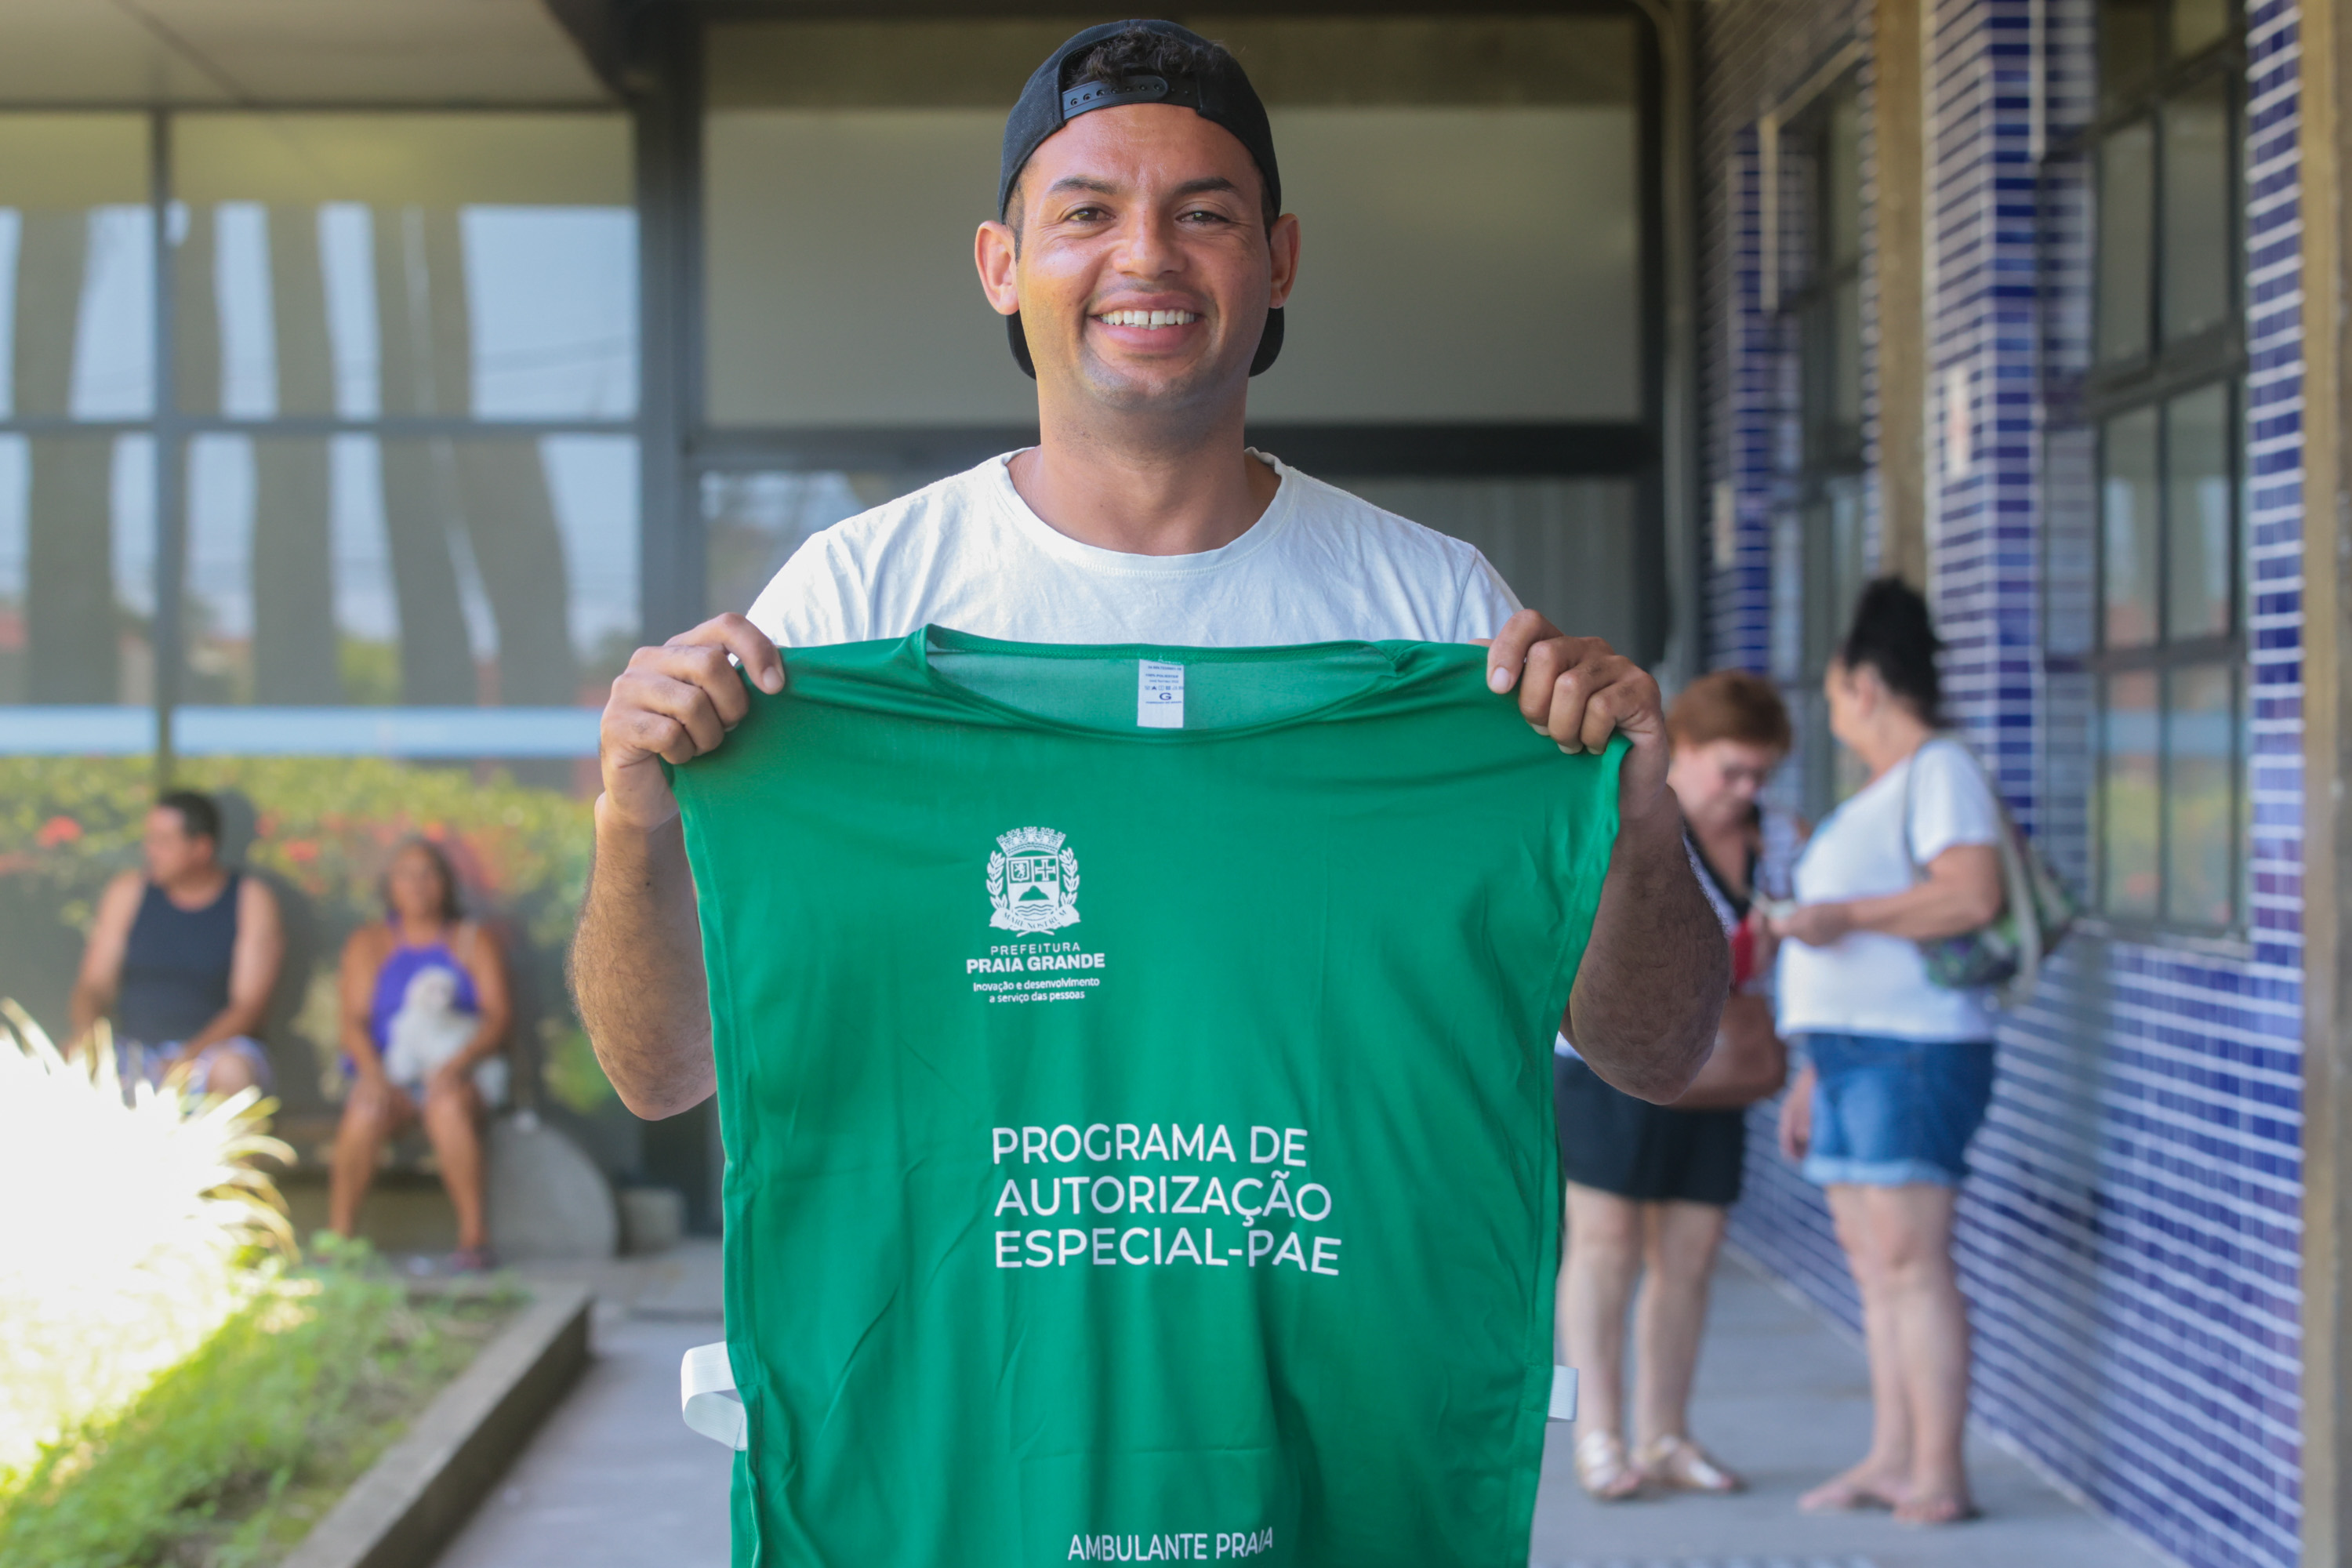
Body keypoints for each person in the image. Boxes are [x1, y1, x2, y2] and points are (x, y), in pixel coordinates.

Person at [573, 20, 1726, 1124]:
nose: (1145, 255)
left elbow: (1654, 1058)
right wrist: (636, 822)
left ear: (1277, 261)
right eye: (1085, 212)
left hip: (1338, 1323)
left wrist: (1639, 823)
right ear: (1002, 265)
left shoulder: (1439, 618)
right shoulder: (843, 615)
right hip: (975, 1325)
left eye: (1204, 212)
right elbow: (663, 1077)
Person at [1768, 577, 2005, 1526]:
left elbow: (1972, 894)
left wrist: (1839, 915)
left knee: (1910, 1260)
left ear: (1864, 682)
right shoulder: (1880, 789)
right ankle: (1891, 1454)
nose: (1835, 717)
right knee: (1874, 1265)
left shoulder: (1939, 768)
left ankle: (1939, 1472)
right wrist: (1811, 1070)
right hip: (1851, 1054)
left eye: (1832, 698)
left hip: (1913, 1051)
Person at [1557, 670, 1799, 1501]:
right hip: (1605, 1060)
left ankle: (1664, 1431)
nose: (1745, 790)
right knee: (1605, 1243)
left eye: (1759, 775)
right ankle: (1598, 1433)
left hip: (1714, 1066)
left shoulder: (1774, 840)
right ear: (1682, 751)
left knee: (1689, 1252)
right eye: (1730, 770)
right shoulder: (1623, 819)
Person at [328, 837, 511, 1272]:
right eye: (405, 875)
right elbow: (352, 1023)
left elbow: (499, 1019)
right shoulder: (369, 943)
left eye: (428, 873)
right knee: (364, 1109)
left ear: (447, 884)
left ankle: (474, 1239)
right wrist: (373, 1075)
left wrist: (453, 1067)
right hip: (391, 1073)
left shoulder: (473, 940)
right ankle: (338, 1241)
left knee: (446, 1105)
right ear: (389, 886)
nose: (418, 885)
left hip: (459, 1072)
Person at [70, 789, 282, 1099]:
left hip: (215, 1051)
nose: (150, 851)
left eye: (164, 842)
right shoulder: (128, 893)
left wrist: (184, 1059)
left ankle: (243, 1150)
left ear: (201, 848)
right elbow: (93, 985)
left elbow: (249, 1007)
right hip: (135, 1049)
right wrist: (88, 1038)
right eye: (150, 839)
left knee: (233, 1071)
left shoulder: (251, 899)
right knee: (74, 1062)